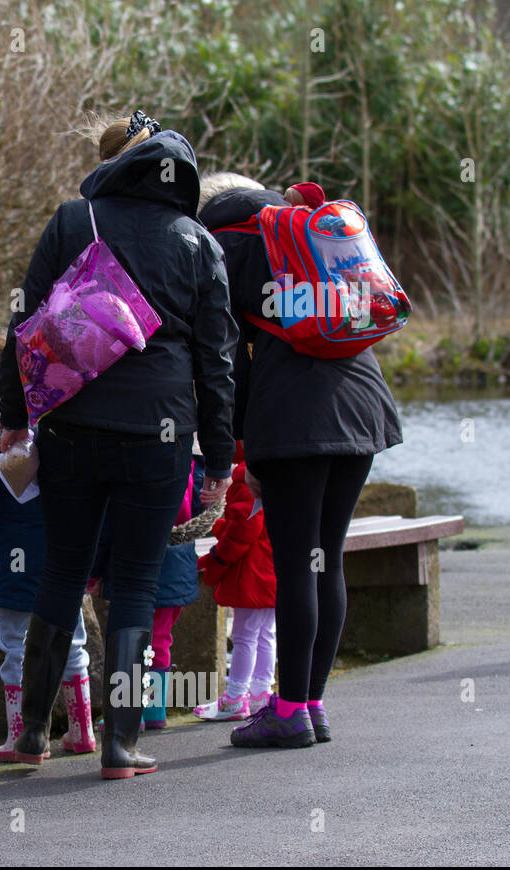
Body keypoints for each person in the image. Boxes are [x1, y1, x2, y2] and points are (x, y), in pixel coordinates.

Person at [0, 111, 237, 779]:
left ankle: (30, 739)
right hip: (158, 436)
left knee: (62, 573)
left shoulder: (75, 221)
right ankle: (121, 746)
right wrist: (219, 463)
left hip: (72, 426)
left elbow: (24, 323)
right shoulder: (197, 242)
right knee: (133, 585)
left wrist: (17, 417)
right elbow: (217, 365)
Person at [199, 176, 403, 746]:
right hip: (363, 403)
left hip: (294, 415)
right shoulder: (304, 233)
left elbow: (226, 360)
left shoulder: (225, 244)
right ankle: (310, 705)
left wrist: (240, 444)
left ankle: (288, 713)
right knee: (324, 559)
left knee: (293, 567)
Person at [0, 337, 95, 763]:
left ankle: (21, 737)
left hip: (12, 552)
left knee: (14, 644)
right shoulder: (61, 417)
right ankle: (83, 731)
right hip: (65, 548)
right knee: (72, 638)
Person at [88, 455, 204, 731]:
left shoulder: (129, 468)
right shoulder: (189, 467)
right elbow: (196, 510)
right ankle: (154, 711)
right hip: (178, 564)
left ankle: (132, 713)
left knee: (130, 637)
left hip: (136, 563)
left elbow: (106, 526)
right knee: (160, 639)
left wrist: (94, 572)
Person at [194, 441, 277, 720]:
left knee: (244, 635)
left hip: (252, 573)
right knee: (266, 633)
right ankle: (260, 693)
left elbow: (246, 525)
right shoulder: (273, 470)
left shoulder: (245, 478)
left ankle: (234, 697)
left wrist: (218, 557)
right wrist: (221, 526)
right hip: (271, 568)